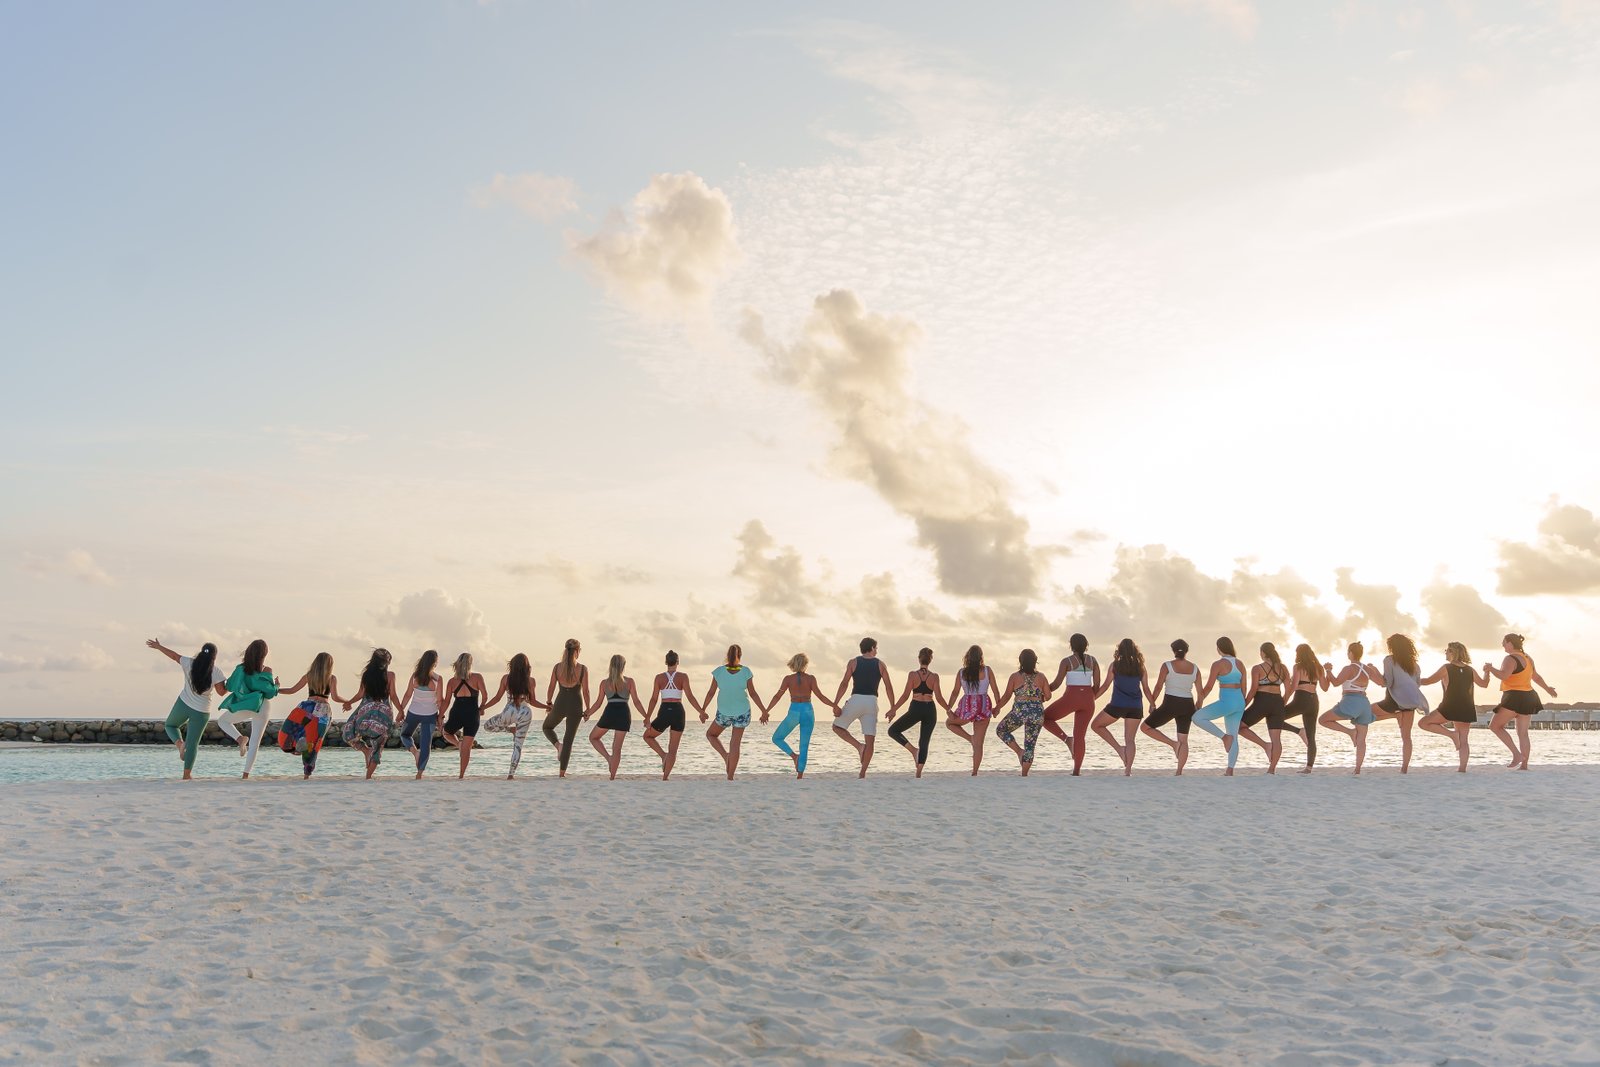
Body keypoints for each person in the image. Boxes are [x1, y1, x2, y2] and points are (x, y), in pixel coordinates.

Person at [147, 637, 227, 780]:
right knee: (193, 744)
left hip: (183, 703)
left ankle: (179, 743)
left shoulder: (189, 662)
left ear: (202, 652)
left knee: (170, 725)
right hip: (202, 710)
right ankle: (186, 775)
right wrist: (229, 684)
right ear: (214, 656)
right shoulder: (216, 672)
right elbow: (221, 692)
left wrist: (159, 647)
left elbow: (174, 656)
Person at [1485, 633, 1558, 771]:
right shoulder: (1527, 658)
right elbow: (1535, 677)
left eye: (1504, 642)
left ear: (1511, 644)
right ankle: (1524, 765)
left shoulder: (1510, 659)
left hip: (1514, 696)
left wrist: (1490, 668)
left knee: (1495, 726)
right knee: (1523, 733)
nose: (1502, 645)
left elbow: (1503, 675)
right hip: (1529, 696)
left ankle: (1516, 755)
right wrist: (1547, 689)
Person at [1418, 642, 1489, 773]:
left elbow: (1428, 681)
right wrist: (1487, 672)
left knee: (1423, 723)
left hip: (1449, 706)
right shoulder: (1470, 670)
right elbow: (1484, 684)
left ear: (1453, 652)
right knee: (1464, 740)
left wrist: (1413, 680)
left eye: (1447, 650)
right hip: (1466, 707)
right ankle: (1462, 769)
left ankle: (1451, 735)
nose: (1445, 652)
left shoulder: (1446, 668)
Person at [831, 638, 897, 779]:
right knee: (870, 740)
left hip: (856, 700)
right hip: (872, 702)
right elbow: (888, 687)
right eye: (876, 648)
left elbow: (844, 684)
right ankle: (862, 773)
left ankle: (858, 747)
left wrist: (835, 703)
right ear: (872, 648)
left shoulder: (853, 662)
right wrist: (893, 708)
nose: (877, 651)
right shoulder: (880, 664)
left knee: (837, 727)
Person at [215, 639, 279, 780]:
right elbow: (269, 692)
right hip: (262, 705)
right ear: (264, 654)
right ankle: (245, 775)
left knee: (222, 721)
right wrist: (277, 686)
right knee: (255, 742)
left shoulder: (240, 669)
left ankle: (240, 738)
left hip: (245, 705)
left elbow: (230, 686)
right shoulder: (266, 670)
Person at [480, 653, 550, 780]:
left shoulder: (506, 679)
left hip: (510, 710)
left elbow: (497, 698)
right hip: (525, 711)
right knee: (518, 746)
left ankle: (510, 730)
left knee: (487, 726)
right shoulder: (530, 681)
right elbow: (532, 701)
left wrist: (482, 707)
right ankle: (511, 775)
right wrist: (547, 707)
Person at [766, 653, 836, 779]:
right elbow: (821, 696)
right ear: (805, 665)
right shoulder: (811, 679)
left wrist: (766, 711)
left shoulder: (788, 679)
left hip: (794, 711)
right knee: (804, 745)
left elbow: (777, 696)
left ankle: (794, 756)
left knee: (777, 738)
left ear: (793, 664)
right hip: (808, 711)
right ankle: (800, 775)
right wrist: (834, 705)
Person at [1237, 643, 1303, 775]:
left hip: (1261, 702)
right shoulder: (1283, 668)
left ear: (1263, 653)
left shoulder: (1257, 668)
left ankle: (1265, 745)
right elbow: (1289, 689)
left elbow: (1253, 690)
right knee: (1276, 739)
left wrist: (1243, 705)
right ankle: (1271, 769)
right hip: (1277, 702)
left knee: (1238, 726)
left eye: (1260, 652)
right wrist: (1283, 702)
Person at [276, 652, 345, 778]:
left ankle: (296, 745)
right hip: (323, 711)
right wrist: (348, 701)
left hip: (307, 707)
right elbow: (335, 697)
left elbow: (292, 690)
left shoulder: (309, 676)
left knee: (296, 730)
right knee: (314, 741)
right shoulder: (332, 678)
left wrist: (276, 689)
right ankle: (307, 773)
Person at [1319, 642, 1383, 775]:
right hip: (1364, 704)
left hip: (1350, 702)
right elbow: (1382, 683)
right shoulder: (1367, 669)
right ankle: (1357, 769)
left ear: (1351, 654)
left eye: (1348, 651)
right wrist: (1374, 669)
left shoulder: (1349, 669)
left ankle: (1349, 732)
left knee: (1323, 720)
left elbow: (1336, 683)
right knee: (1362, 740)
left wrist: (1328, 670)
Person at [884, 648, 949, 777]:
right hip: (930, 709)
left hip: (916, 708)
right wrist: (949, 710)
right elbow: (940, 698)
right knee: (924, 741)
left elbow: (905, 696)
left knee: (893, 731)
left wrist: (893, 709)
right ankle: (918, 773)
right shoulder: (935, 677)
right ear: (930, 660)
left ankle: (914, 751)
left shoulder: (913, 675)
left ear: (919, 658)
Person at [1370, 634, 1429, 774]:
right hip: (1411, 702)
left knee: (1363, 714)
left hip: (1393, 701)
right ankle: (1404, 769)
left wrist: (1374, 671)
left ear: (1393, 647)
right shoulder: (1415, 665)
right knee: (1406, 737)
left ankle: (1394, 716)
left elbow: (1387, 683)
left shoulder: (1389, 660)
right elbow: (1417, 684)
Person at [704, 644, 764, 779]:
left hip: (724, 712)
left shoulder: (719, 671)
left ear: (727, 655)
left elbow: (710, 693)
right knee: (735, 743)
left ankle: (726, 756)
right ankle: (730, 776)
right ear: (740, 656)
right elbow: (753, 694)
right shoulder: (746, 671)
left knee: (711, 735)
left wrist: (703, 709)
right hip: (742, 712)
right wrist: (764, 711)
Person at [1092, 638, 1151, 776]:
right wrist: (1152, 703)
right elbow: (1146, 688)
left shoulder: (1115, 665)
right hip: (1135, 706)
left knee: (1096, 725)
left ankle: (1119, 750)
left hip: (1117, 705)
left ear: (1120, 650)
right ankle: (1128, 770)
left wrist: (1093, 698)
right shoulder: (1140, 666)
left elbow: (1106, 685)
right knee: (1130, 740)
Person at [341, 649, 402, 779]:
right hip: (383, 714)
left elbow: (360, 694)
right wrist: (401, 711)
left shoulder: (366, 675)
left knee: (348, 732)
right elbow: (394, 696)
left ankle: (365, 750)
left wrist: (349, 703)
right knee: (378, 744)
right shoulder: (390, 675)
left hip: (365, 711)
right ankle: (368, 776)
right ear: (386, 662)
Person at [1141, 639, 1199, 776]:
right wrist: (1198, 707)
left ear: (1173, 651)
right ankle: (1179, 772)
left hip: (1171, 703)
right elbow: (1200, 691)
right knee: (1184, 740)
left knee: (1145, 727)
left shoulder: (1167, 666)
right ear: (1187, 651)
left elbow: (1159, 686)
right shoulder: (1195, 668)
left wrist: (1152, 702)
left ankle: (1173, 744)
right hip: (1188, 705)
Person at [1043, 634, 1099, 775]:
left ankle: (1067, 739)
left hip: (1071, 698)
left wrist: (1043, 692)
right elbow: (1097, 685)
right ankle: (1076, 771)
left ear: (1071, 645)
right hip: (1088, 700)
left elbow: (1056, 684)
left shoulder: (1066, 661)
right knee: (1080, 736)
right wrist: (1090, 697)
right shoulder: (1093, 661)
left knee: (1044, 718)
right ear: (1086, 645)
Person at [584, 655, 646, 780]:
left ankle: (608, 758)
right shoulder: (629, 682)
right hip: (623, 713)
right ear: (623, 666)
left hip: (609, 713)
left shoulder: (604, 683)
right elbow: (636, 702)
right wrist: (646, 716)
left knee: (593, 737)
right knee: (617, 748)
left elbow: (598, 703)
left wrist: (588, 713)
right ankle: (612, 776)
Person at [993, 649, 1054, 775]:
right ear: (1035, 661)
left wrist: (997, 708)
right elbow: (1048, 696)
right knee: (1030, 745)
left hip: (1020, 711)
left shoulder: (1015, 677)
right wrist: (1037, 699)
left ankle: (1019, 752)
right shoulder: (1041, 677)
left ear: (1020, 661)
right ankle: (1024, 774)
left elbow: (1006, 696)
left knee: (1001, 730)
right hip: (1037, 712)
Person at [642, 651, 700, 780]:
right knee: (673, 749)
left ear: (666, 662)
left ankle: (663, 755)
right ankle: (665, 777)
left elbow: (653, 699)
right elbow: (690, 697)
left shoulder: (659, 678)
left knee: (647, 736)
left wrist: (647, 717)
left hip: (665, 711)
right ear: (678, 662)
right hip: (678, 711)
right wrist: (701, 711)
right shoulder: (683, 677)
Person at [1193, 637, 1247, 776]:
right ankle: (1230, 770)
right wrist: (1241, 704)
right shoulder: (1240, 663)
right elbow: (1244, 687)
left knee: (1197, 718)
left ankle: (1223, 737)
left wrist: (1200, 701)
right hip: (1239, 701)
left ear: (1219, 648)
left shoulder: (1218, 664)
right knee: (1234, 734)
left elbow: (1209, 687)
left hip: (1227, 702)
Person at [945, 645, 1000, 776]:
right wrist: (998, 707)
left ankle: (970, 738)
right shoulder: (987, 670)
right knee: (979, 744)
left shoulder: (961, 672)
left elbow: (955, 692)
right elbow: (995, 690)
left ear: (967, 657)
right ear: (981, 657)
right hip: (983, 706)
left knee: (949, 723)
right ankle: (974, 772)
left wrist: (948, 708)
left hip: (968, 707)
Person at [543, 639, 591, 778]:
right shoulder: (582, 669)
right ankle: (562, 773)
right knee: (569, 739)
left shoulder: (557, 667)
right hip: (576, 705)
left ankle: (558, 745)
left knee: (547, 727)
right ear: (577, 651)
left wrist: (549, 703)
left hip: (560, 703)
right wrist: (588, 709)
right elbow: (586, 691)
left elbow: (551, 687)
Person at [439, 653, 489, 779]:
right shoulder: (477, 677)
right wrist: (482, 708)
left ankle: (457, 744)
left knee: (446, 732)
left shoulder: (452, 681)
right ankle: (461, 775)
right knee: (467, 748)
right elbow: (485, 695)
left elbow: (447, 701)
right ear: (470, 664)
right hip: (472, 714)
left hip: (457, 713)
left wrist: (441, 714)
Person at [1282, 644, 1327, 774]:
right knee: (1311, 736)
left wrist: (1284, 700)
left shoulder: (1298, 667)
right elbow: (1325, 687)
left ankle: (1298, 731)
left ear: (1299, 654)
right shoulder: (1319, 668)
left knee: (1275, 718)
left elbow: (1294, 687)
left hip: (1301, 699)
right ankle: (1309, 768)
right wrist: (1327, 673)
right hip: (1314, 701)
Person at [397, 650, 442, 779]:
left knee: (404, 734)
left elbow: (407, 695)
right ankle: (419, 773)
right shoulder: (438, 679)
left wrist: (401, 710)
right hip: (430, 714)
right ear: (435, 663)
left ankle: (414, 752)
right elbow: (439, 700)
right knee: (426, 744)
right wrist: (440, 717)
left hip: (414, 713)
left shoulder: (415, 676)